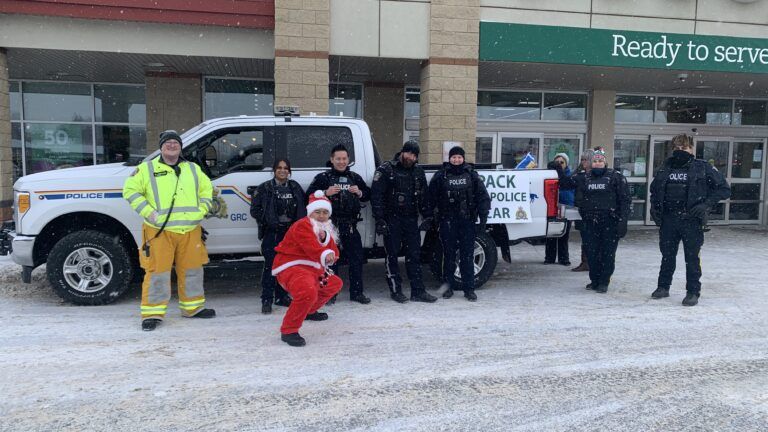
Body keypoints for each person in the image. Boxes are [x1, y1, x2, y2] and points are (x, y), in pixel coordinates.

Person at [123, 130, 216, 331]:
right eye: (168, 143)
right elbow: (130, 191)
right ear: (161, 147)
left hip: (190, 230)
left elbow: (207, 190)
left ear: (181, 147)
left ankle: (193, 308)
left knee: (192, 271)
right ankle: (152, 313)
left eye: (175, 143)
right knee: (157, 272)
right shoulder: (146, 169)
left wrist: (202, 210)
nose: (172, 146)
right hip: (159, 231)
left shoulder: (192, 168)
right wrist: (149, 213)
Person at [649, 134, 730, 306]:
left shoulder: (702, 167)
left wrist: (706, 205)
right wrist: (655, 208)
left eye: (684, 148)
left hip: (691, 220)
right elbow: (655, 190)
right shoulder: (665, 167)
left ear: (691, 149)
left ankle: (693, 291)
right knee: (667, 256)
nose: (680, 151)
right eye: (677, 148)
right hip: (669, 219)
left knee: (692, 258)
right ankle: (663, 287)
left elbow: (723, 189)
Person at [272, 191, 343, 347]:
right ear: (310, 212)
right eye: (317, 212)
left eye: (325, 212)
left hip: (313, 269)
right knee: (307, 291)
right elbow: (311, 247)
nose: (321, 215)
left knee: (334, 283)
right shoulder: (302, 225)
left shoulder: (327, 229)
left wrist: (332, 255)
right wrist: (325, 254)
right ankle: (289, 330)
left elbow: (333, 251)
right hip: (292, 266)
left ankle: (309, 311)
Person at [371, 141, 437, 303]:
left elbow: (424, 196)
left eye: (414, 155)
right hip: (391, 220)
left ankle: (418, 291)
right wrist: (379, 219)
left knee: (414, 255)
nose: (411, 158)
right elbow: (376, 196)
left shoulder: (418, 172)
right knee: (392, 256)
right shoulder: (386, 170)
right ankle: (396, 290)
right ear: (402, 152)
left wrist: (428, 216)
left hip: (411, 219)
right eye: (409, 154)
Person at [556, 148, 631, 294]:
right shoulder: (584, 177)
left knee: (607, 253)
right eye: (595, 161)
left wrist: (623, 221)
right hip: (590, 222)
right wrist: (558, 168)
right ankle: (594, 280)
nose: (597, 163)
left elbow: (625, 200)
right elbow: (565, 183)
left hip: (610, 222)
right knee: (592, 252)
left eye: (600, 161)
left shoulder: (616, 177)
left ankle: (604, 281)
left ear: (605, 162)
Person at [307, 144, 372, 304]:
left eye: (344, 159)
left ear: (348, 160)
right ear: (332, 160)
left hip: (350, 225)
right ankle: (330, 294)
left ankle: (356, 293)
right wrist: (324, 193)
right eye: (338, 159)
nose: (341, 162)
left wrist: (360, 192)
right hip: (329, 226)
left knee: (356, 260)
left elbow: (368, 195)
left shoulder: (355, 177)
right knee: (330, 261)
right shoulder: (323, 178)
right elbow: (307, 196)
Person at [427, 146, 491, 301]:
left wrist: (483, 217)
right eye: (453, 157)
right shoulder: (441, 175)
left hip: (467, 221)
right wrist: (431, 217)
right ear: (449, 159)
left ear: (463, 158)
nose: (456, 160)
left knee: (467, 255)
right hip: (447, 221)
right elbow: (430, 198)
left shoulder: (471, 175)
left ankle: (469, 289)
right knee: (448, 255)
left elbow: (482, 196)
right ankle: (448, 287)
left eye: (459, 157)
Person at [251, 158, 305, 314]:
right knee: (271, 267)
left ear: (289, 171)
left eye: (286, 168)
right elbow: (255, 210)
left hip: (291, 235)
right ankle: (266, 300)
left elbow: (304, 206)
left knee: (287, 267)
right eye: (279, 168)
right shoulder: (265, 188)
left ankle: (281, 297)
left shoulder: (295, 187)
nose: (282, 170)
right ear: (274, 170)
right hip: (272, 233)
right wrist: (268, 221)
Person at [544, 153, 575, 266]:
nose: (559, 164)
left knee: (564, 235)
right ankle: (549, 257)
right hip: (551, 208)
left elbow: (569, 192)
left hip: (565, 208)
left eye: (562, 162)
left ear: (566, 164)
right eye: (557, 162)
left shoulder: (570, 176)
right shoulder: (548, 175)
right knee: (551, 234)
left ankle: (563, 258)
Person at [571, 149, 594, 272]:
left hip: (592, 211)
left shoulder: (597, 176)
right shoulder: (579, 175)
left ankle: (591, 262)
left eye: (585, 159)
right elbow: (567, 182)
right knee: (585, 237)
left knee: (590, 238)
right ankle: (585, 262)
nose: (583, 162)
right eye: (582, 159)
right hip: (582, 209)